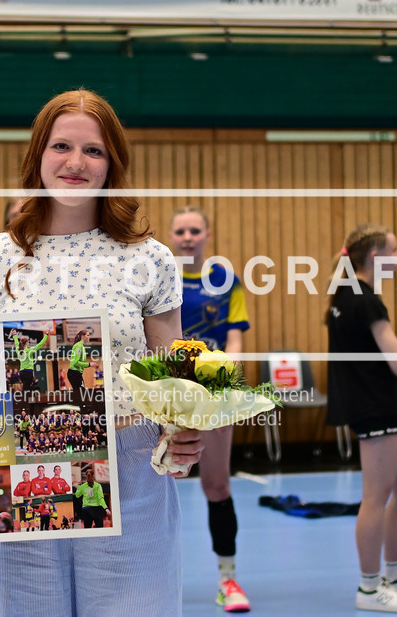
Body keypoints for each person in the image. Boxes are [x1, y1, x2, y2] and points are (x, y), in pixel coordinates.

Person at [0, 88, 203, 615]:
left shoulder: (150, 259)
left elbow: (173, 376)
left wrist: (187, 430)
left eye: (94, 151)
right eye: (61, 147)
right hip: (20, 465)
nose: (75, 163)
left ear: (113, 164)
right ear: (37, 155)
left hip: (131, 471)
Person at [326, 224, 397, 613]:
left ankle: (394, 574)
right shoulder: (368, 300)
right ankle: (370, 589)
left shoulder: (343, 294)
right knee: (376, 497)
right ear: (375, 257)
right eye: (394, 251)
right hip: (375, 406)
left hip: (375, 404)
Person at [168, 205, 253, 613]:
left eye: (194, 230)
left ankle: (228, 579)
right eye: (181, 230)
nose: (187, 237)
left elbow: (234, 340)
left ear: (207, 234)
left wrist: (225, 385)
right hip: (166, 395)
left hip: (214, 394)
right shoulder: (156, 275)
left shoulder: (226, 280)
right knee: (152, 487)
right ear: (171, 235)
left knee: (217, 486)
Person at [67, 329, 98, 394]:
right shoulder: (78, 346)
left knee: (81, 393)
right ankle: (79, 404)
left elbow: (80, 362)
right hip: (74, 372)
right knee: (81, 393)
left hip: (77, 373)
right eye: (88, 335)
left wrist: (90, 364)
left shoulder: (82, 346)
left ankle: (80, 403)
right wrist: (89, 364)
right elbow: (75, 362)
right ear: (83, 336)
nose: (89, 337)